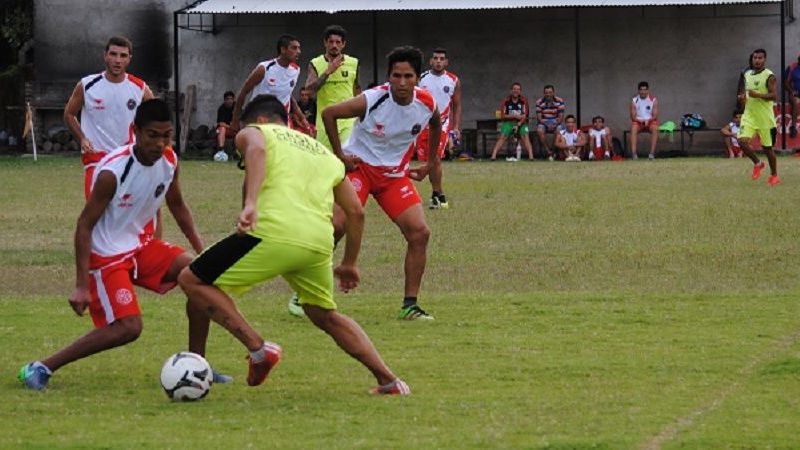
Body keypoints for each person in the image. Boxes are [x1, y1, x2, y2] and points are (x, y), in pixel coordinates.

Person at [177, 94, 410, 395]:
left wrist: (250, 204)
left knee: (191, 279)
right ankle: (390, 381)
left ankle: (258, 349)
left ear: (259, 121)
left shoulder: (256, 133)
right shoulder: (324, 154)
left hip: (274, 232)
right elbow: (356, 212)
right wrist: (350, 262)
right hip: (317, 242)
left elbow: (257, 149)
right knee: (323, 313)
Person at [18, 99, 230, 390]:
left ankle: (197, 365)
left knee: (197, 276)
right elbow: (84, 225)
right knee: (129, 328)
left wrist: (201, 249)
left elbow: (178, 205)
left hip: (140, 247)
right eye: (152, 135)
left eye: (166, 135)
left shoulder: (169, 161)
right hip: (106, 255)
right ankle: (41, 366)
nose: (160, 143)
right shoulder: (112, 172)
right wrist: (81, 285)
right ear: (136, 131)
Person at [321, 46, 441, 321]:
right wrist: (341, 154)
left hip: (393, 176)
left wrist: (430, 162)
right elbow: (329, 113)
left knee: (420, 233)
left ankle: (410, 306)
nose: (401, 83)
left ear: (417, 79)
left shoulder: (426, 102)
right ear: (388, 77)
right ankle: (304, 291)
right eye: (396, 76)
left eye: (408, 76)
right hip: (360, 170)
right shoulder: (371, 99)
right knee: (337, 225)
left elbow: (435, 124)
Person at [64, 36, 154, 199]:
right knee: (96, 212)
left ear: (129, 59)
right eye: (113, 54)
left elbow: (155, 119)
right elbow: (69, 114)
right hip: (96, 157)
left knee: (126, 211)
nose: (117, 60)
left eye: (123, 56)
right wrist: (83, 139)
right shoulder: (87, 85)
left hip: (127, 158)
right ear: (105, 55)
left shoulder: (140, 88)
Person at [231, 34, 309, 132]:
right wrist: (235, 120)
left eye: (299, 48)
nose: (298, 52)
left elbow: (287, 94)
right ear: (283, 49)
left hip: (281, 120)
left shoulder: (296, 70)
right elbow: (243, 92)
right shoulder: (264, 68)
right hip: (259, 118)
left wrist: (302, 117)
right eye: (294, 48)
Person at [415, 47, 462, 209]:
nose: (438, 61)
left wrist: (455, 127)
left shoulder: (453, 80)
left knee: (435, 158)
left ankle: (437, 194)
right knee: (431, 160)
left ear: (446, 62)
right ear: (430, 61)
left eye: (442, 58)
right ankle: (438, 194)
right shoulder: (421, 78)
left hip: (442, 125)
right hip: (423, 124)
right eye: (435, 58)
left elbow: (456, 105)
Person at [305, 25, 360, 151]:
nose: (334, 45)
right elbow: (308, 90)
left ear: (343, 44)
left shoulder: (354, 63)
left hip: (348, 121)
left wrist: (361, 116)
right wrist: (328, 71)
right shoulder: (316, 63)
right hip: (324, 121)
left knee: (347, 156)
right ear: (325, 43)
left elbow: (357, 89)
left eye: (338, 42)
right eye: (331, 42)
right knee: (326, 160)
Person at [737, 48, 779, 186]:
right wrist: (743, 98)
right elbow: (746, 95)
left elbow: (774, 95)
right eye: (755, 58)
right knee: (742, 141)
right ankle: (758, 163)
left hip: (765, 118)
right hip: (749, 115)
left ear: (764, 59)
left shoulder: (769, 76)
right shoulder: (747, 74)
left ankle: (774, 175)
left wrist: (758, 95)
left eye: (760, 58)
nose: (757, 60)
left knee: (768, 149)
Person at [489, 82, 534, 162]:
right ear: (511, 90)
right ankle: (493, 156)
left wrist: (518, 124)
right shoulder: (506, 101)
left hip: (522, 123)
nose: (516, 91)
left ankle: (531, 157)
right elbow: (503, 115)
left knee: (525, 136)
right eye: (514, 89)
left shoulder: (523, 101)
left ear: (520, 91)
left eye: (518, 89)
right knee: (503, 136)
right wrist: (515, 116)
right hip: (508, 123)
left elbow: (525, 116)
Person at [629, 81, 659, 160]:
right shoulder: (634, 100)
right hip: (638, 122)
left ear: (648, 90)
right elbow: (633, 117)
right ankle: (634, 154)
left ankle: (651, 154)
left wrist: (648, 121)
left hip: (650, 121)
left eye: (645, 90)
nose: (643, 92)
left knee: (655, 128)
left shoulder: (653, 100)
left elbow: (655, 116)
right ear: (638, 91)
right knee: (633, 129)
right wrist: (641, 121)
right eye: (641, 90)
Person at [535, 85, 566, 160]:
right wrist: (547, 124)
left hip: (556, 121)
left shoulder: (560, 101)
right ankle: (548, 151)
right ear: (544, 93)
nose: (548, 94)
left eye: (550, 92)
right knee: (539, 130)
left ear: (553, 92)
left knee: (559, 130)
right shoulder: (539, 102)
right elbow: (539, 118)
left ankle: (554, 151)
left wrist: (554, 124)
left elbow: (561, 117)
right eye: (546, 92)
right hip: (544, 122)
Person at [784, 53, 800, 138]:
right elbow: (786, 82)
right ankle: (793, 127)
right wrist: (791, 91)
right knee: (797, 102)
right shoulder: (792, 67)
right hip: (795, 94)